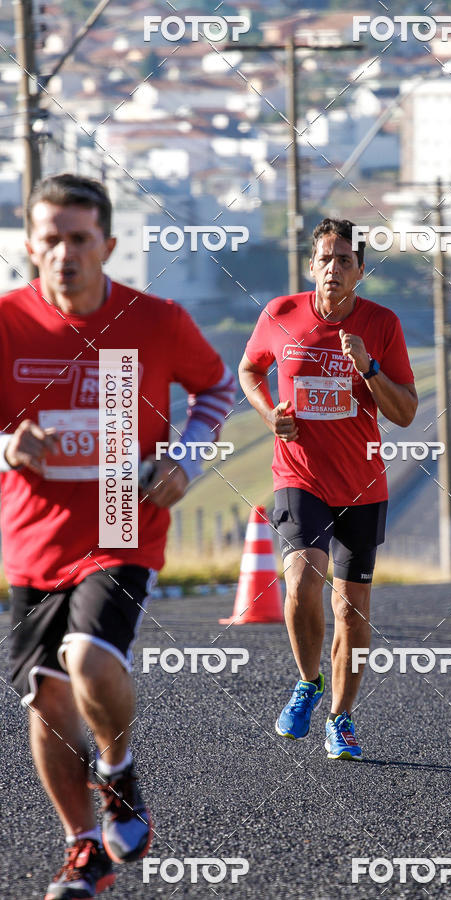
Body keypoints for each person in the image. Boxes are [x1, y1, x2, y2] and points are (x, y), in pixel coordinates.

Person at [0, 173, 235, 899]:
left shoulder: (156, 320)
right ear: (30, 244)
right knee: (45, 698)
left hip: (120, 515)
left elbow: (217, 387)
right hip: (32, 531)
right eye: (50, 239)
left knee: (87, 656)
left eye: (79, 239)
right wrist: (7, 444)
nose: (64, 253)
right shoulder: (7, 319)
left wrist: (184, 460)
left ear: (107, 243)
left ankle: (119, 767)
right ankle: (82, 849)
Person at [239, 217, 417, 760]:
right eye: (325, 258)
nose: (333, 269)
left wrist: (370, 367)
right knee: (301, 580)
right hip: (298, 475)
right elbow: (249, 370)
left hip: (362, 484)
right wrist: (271, 415)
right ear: (311, 265)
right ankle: (306, 681)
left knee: (351, 611)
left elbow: (406, 412)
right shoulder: (280, 314)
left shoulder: (382, 324)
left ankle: (340, 717)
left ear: (360, 271)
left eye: (345, 260)